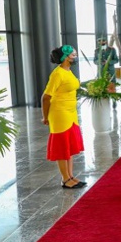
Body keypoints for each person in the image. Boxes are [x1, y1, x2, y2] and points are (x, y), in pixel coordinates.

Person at [41, 45, 87, 189]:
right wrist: (45, 117)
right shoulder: (58, 73)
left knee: (69, 146)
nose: (75, 57)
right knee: (62, 147)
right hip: (59, 113)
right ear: (65, 57)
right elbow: (46, 97)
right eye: (73, 55)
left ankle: (71, 176)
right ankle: (65, 179)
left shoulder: (68, 71)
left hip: (71, 112)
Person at [94, 37, 119, 106]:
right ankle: (104, 102)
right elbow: (94, 60)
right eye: (99, 42)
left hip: (110, 72)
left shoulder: (112, 50)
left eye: (103, 41)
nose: (101, 43)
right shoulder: (96, 50)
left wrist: (108, 62)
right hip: (101, 72)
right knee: (102, 87)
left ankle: (114, 101)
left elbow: (116, 60)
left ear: (106, 42)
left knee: (112, 86)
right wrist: (99, 62)